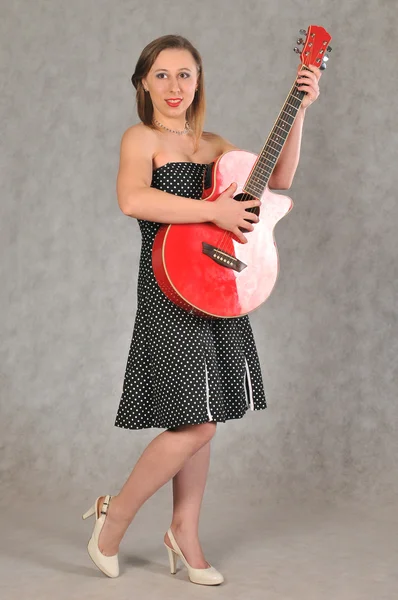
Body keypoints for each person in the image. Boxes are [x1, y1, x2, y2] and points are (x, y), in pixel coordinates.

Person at [82, 34, 321, 584]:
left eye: (184, 75)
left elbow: (277, 181)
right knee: (197, 423)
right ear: (144, 82)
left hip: (218, 288)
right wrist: (212, 211)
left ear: (198, 82)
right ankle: (113, 516)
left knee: (204, 410)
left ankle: (184, 531)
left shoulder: (214, 144)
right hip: (168, 287)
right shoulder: (140, 139)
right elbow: (133, 200)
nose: (173, 86)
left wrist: (300, 110)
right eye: (161, 75)